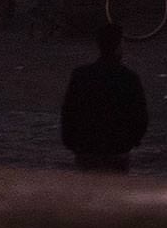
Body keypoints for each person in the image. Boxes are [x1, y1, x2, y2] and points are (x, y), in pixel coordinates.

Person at [61, 23, 150, 171]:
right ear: (119, 46)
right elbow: (140, 116)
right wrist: (130, 142)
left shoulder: (81, 75)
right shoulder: (129, 78)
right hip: (117, 149)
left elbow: (69, 112)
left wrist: (72, 142)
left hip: (86, 148)